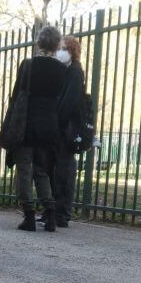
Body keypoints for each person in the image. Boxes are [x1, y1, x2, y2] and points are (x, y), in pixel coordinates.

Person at [7, 25, 70, 232]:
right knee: (42, 170)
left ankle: (29, 215)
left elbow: (17, 95)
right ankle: (50, 214)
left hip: (27, 123)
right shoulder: (62, 70)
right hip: (48, 125)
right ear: (57, 45)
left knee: (24, 169)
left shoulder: (28, 65)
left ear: (38, 42)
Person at [50, 35, 86, 228]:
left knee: (64, 171)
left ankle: (62, 213)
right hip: (60, 127)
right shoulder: (66, 71)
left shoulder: (74, 72)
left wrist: (58, 119)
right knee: (57, 170)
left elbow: (69, 102)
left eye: (63, 48)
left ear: (71, 51)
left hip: (67, 129)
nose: (60, 52)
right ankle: (54, 211)